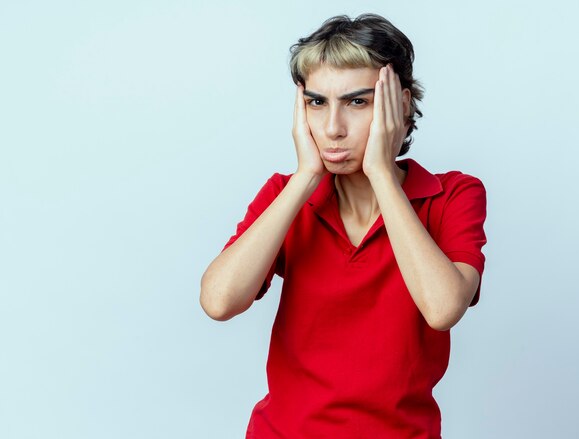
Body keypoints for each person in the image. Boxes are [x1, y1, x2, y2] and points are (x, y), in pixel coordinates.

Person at [200, 13, 487, 439]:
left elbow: (443, 309)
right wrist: (304, 178)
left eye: (358, 102)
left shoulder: (453, 195)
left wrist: (382, 175)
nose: (333, 128)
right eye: (317, 102)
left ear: (401, 105)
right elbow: (219, 302)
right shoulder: (287, 194)